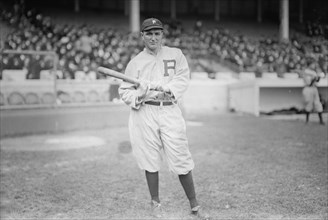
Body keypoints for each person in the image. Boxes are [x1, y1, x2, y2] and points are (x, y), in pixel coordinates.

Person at [118, 18, 209, 219]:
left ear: (162, 35)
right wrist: (140, 94)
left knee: (181, 156)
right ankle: (156, 205)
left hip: (169, 109)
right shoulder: (134, 63)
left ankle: (194, 206)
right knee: (149, 158)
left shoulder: (176, 55)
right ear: (142, 36)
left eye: (157, 33)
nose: (153, 37)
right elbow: (125, 92)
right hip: (145, 112)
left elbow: (183, 78)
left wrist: (167, 87)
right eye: (149, 33)